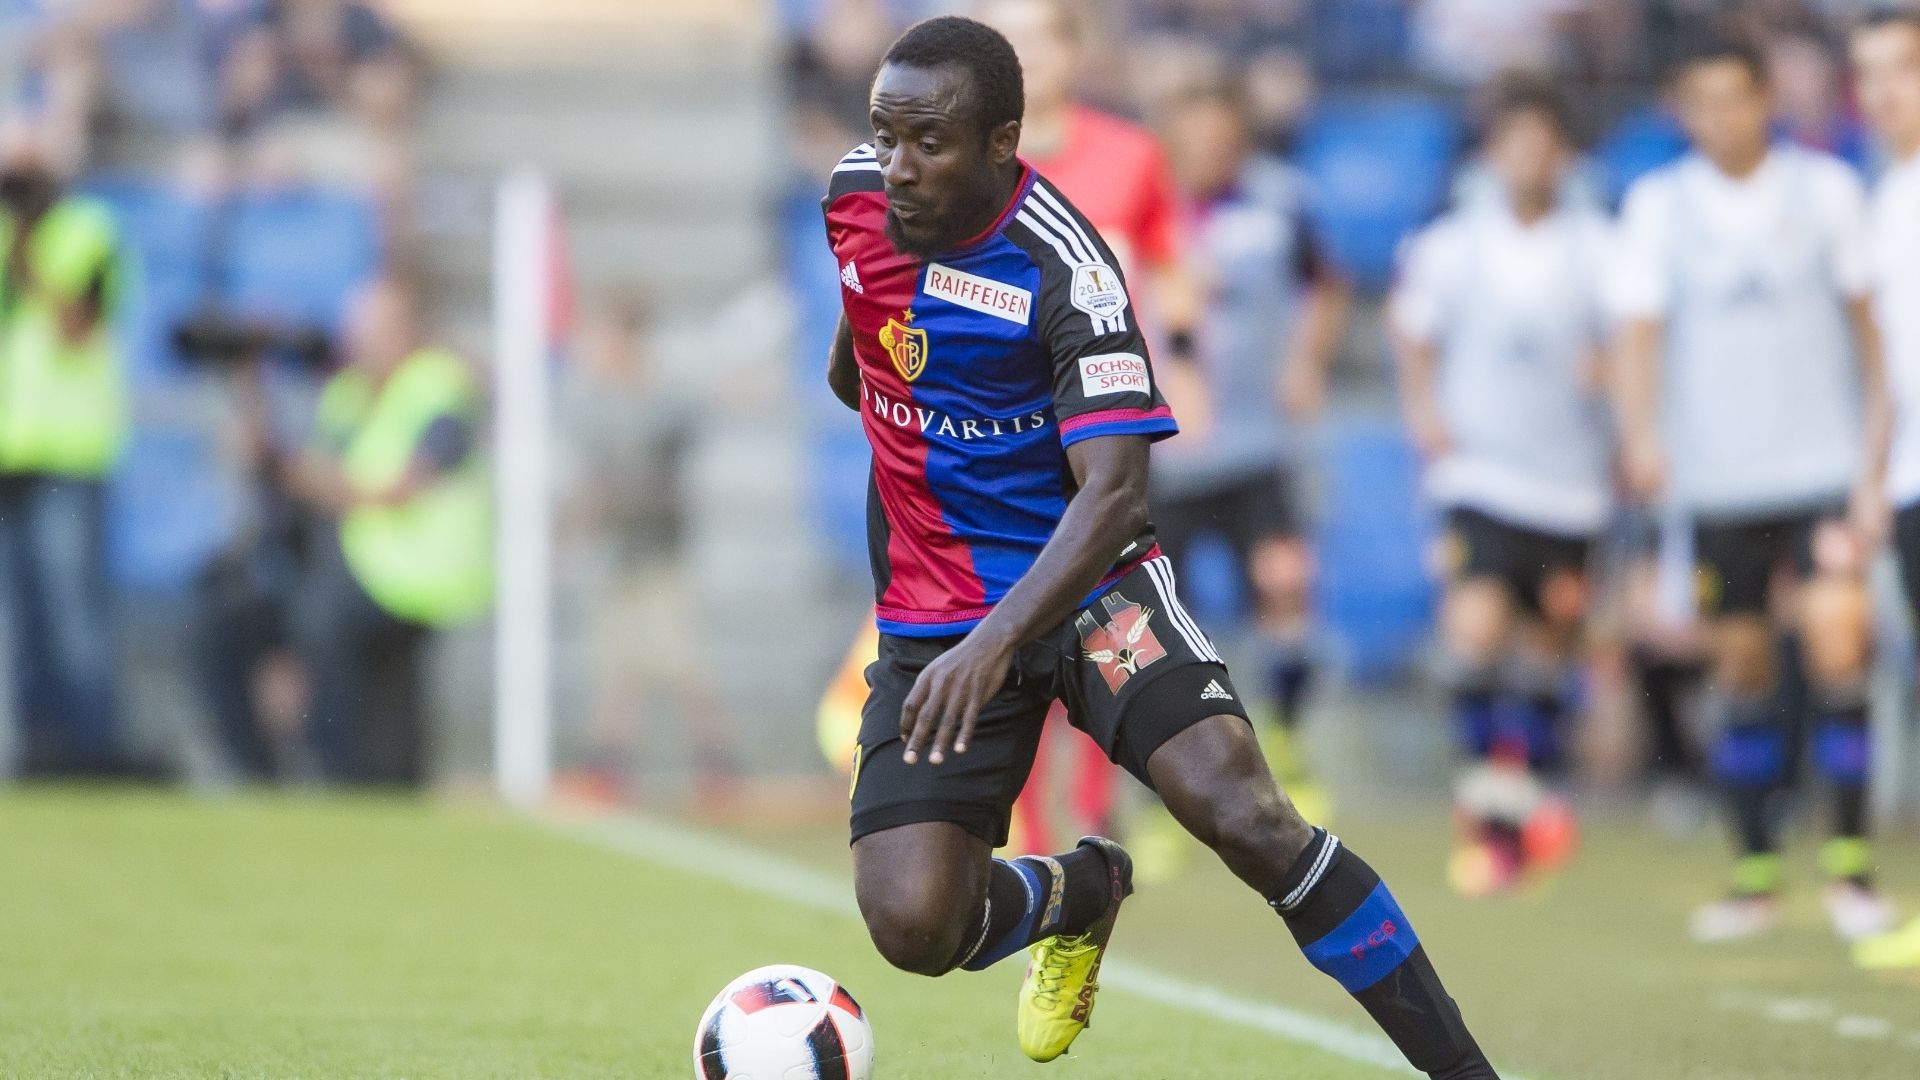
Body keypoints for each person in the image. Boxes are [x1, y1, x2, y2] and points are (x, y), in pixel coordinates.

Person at [825, 17, 1501, 1077]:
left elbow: (1114, 496)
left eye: (930, 142)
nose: (899, 166)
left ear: (1005, 141)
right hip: (937, 611)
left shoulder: (1070, 271)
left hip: (1089, 592)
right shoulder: (854, 196)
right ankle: (1079, 892)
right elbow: (862, 344)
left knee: (1244, 813)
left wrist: (996, 644)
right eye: (886, 133)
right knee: (914, 924)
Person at [1611, 37, 1895, 944]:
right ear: (1681, 108)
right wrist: (1642, 435)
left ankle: (1851, 868)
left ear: (1766, 99)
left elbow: (1871, 337)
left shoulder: (1827, 194)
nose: (1721, 118)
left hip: (1819, 469)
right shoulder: (1660, 206)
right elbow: (1640, 334)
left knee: (1839, 644)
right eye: (1702, 100)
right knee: (1741, 668)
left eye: (1737, 98)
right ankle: (1755, 872)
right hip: (1719, 481)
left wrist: (1872, 462)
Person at [1391, 78, 1609, 896]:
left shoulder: (1597, 246)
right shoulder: (1453, 245)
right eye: (1512, 139)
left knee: (1549, 649)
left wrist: (1611, 382)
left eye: (1542, 140)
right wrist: (1423, 411)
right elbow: (1412, 332)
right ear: (1493, 152)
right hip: (1478, 471)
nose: (1527, 156)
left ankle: (1533, 795)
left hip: (1569, 481)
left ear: (1563, 153)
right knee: (1475, 629)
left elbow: (1627, 340)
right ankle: (1487, 810)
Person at [1149, 74, 1349, 841]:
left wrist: (1307, 360)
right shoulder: (1147, 205)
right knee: (1166, 631)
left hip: (1257, 446)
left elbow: (1327, 285)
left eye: (1220, 137)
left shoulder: (1279, 203)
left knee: (1285, 582)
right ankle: (1166, 794)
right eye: (1192, 136)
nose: (1207, 151)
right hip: (1166, 456)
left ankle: (1289, 742)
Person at [282, 273, 491, 785]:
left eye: (375, 327)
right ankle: (302, 765)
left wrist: (328, 488)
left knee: (321, 621)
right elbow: (308, 470)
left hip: (420, 571)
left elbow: (411, 482)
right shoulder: (348, 392)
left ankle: (334, 771)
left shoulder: (438, 383)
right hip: (368, 564)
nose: (362, 340)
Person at [0, 117, 127, 776]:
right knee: (14, 622)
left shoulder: (86, 231)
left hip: (70, 456)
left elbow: (78, 326)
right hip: (10, 455)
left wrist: (26, 252)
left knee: (74, 617)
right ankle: (28, 754)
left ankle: (89, 754)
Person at [1847, 8, 1920, 973]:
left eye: (1899, 69)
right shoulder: (1884, 199)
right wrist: (1871, 479)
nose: (1881, 89)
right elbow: (1887, 372)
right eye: (1865, 74)